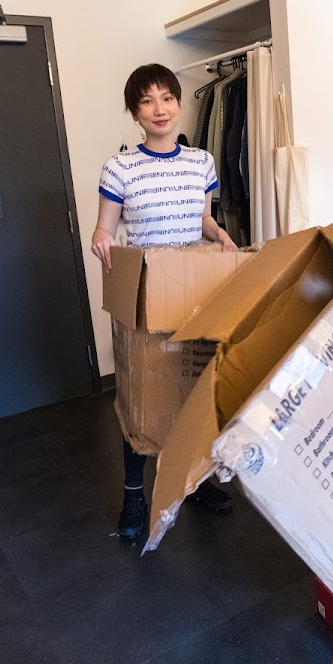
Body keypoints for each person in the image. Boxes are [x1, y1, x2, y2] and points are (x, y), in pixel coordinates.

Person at [92, 63, 239, 540]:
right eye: (148, 101)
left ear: (179, 104)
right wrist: (100, 240)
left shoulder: (201, 162)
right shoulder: (120, 167)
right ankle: (134, 496)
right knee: (142, 399)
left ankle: (193, 483)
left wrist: (221, 236)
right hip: (145, 297)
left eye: (168, 98)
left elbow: (203, 221)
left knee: (196, 395)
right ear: (135, 113)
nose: (160, 109)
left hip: (194, 292)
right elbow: (105, 228)